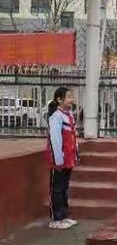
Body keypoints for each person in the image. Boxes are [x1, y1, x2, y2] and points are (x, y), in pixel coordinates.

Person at [46, 87, 79, 230]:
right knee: (57, 188)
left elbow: (73, 136)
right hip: (60, 159)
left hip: (69, 158)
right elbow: (55, 139)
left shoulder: (69, 114)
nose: (72, 99)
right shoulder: (56, 117)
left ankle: (64, 216)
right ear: (59, 99)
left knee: (64, 188)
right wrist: (58, 159)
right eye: (69, 97)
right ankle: (56, 218)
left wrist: (75, 154)